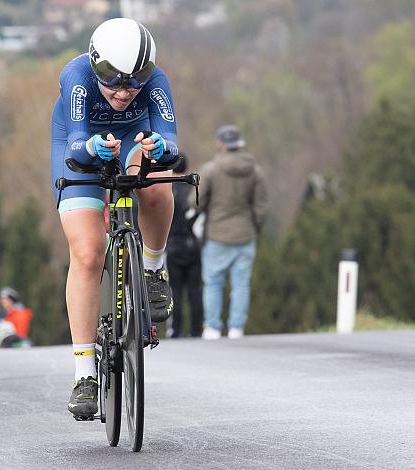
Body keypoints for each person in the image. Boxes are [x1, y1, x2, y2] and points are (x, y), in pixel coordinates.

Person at [50, 17, 179, 418]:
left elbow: (172, 143)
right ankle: (85, 373)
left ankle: (154, 270)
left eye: (134, 82)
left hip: (133, 139)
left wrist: (161, 146)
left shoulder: (157, 82)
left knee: (157, 186)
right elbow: (75, 143)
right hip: (82, 143)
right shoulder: (76, 76)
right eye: (112, 81)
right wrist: (91, 146)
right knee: (88, 253)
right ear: (95, 66)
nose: (123, 92)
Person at [190, 125, 268, 340]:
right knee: (241, 284)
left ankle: (213, 327)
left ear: (220, 144)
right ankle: (236, 328)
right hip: (245, 234)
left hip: (217, 234)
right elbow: (261, 206)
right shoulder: (255, 170)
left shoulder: (211, 170)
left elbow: (195, 202)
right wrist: (255, 227)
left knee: (213, 283)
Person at [166, 155, 203, 338]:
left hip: (172, 245)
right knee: (195, 289)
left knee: (175, 289)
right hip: (193, 244)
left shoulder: (167, 191)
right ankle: (197, 329)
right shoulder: (193, 189)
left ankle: (176, 330)